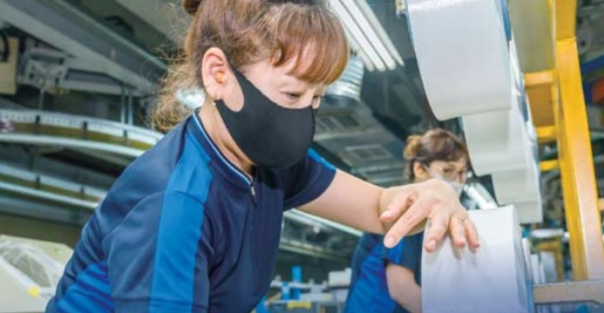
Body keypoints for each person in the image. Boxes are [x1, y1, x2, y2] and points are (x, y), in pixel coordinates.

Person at [45, 1, 479, 312]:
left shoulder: (271, 165)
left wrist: (434, 195)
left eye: (317, 98)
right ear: (219, 75)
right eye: (292, 93)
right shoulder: (175, 204)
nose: (305, 116)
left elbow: (379, 210)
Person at [345, 129, 471, 313]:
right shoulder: (405, 210)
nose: (457, 181)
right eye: (448, 170)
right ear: (419, 169)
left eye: (462, 173)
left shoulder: (429, 219)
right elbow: (401, 289)